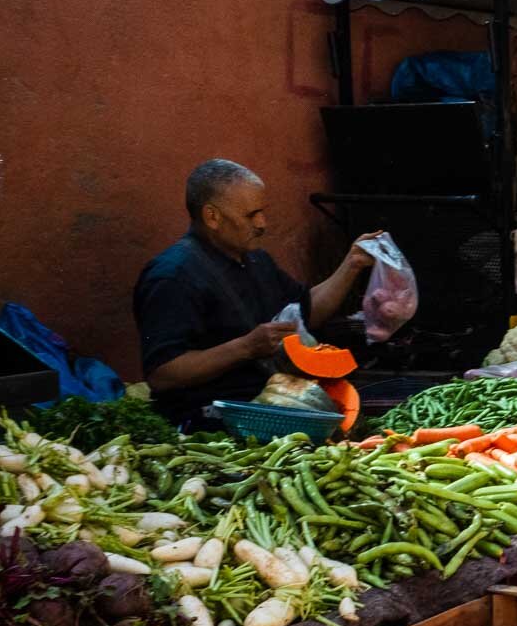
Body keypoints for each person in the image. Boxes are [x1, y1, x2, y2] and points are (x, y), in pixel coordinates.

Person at [135, 159, 381, 428]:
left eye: (262, 211)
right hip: (208, 421)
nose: (262, 223)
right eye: (250, 215)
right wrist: (245, 347)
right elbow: (162, 374)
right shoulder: (173, 275)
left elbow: (307, 312)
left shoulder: (256, 261)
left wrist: (352, 264)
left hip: (276, 404)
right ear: (212, 216)